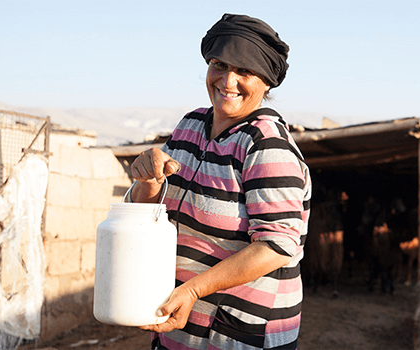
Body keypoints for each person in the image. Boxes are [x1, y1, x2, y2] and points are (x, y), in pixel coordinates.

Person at [129, 13, 311, 350]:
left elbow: (276, 246)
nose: (228, 81)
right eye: (219, 64)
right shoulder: (190, 125)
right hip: (177, 322)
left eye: (244, 71)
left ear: (266, 82)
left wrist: (195, 289)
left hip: (238, 333)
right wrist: (150, 181)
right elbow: (148, 214)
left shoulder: (266, 145)